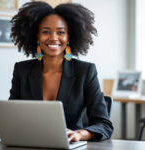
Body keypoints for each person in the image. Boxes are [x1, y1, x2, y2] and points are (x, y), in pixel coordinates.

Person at [9, 1, 113, 142]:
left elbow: (104, 125)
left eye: (61, 32)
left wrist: (80, 134)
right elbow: (12, 117)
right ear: (37, 36)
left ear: (69, 36)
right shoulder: (22, 70)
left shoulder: (85, 71)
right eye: (46, 32)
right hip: (30, 143)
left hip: (69, 145)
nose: (53, 38)